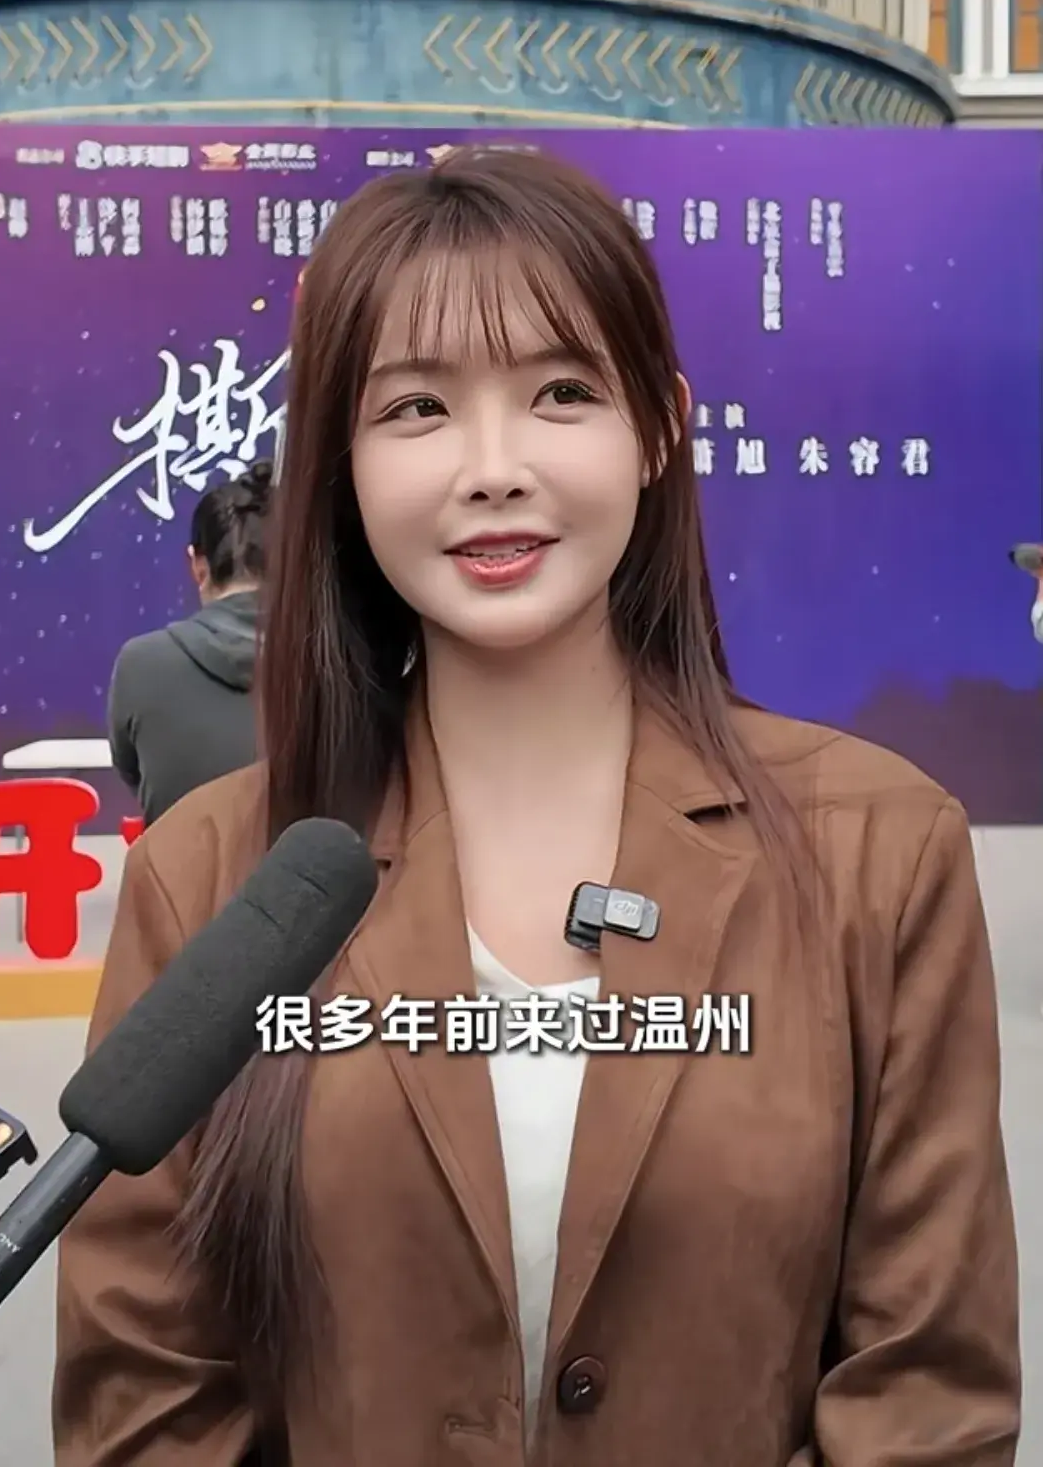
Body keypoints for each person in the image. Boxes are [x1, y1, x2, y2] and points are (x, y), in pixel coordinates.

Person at [53, 149, 1019, 1466]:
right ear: (338, 462)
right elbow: (145, 1401)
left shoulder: (883, 848)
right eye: (417, 408)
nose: (494, 468)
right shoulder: (208, 871)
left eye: (563, 392)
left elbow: (926, 1401)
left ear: (660, 427)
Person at [105, 461, 272, 826]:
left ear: (198, 565)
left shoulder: (141, 664)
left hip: (177, 862)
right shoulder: (339, 661)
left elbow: (136, 774)